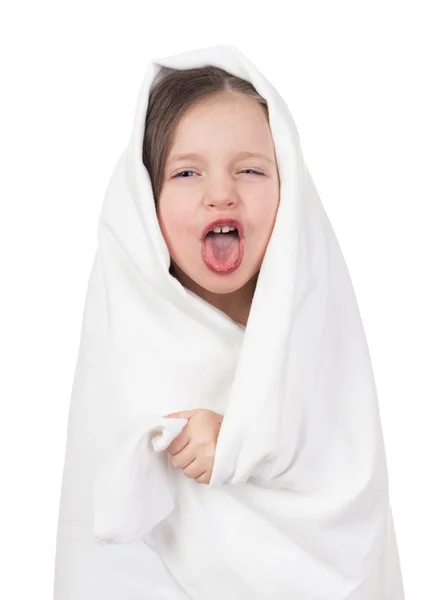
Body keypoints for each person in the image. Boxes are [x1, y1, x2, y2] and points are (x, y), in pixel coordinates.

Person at [53, 44, 405, 599]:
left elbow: (348, 481)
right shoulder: (126, 340)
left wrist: (242, 440)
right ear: (145, 199)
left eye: (250, 170)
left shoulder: (315, 327)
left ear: (289, 191)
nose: (222, 194)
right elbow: (101, 542)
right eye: (187, 172)